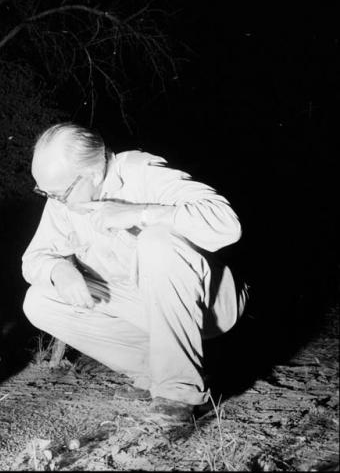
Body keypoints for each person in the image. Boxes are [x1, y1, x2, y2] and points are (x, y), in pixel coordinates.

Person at [22, 122, 248, 424]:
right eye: (44, 192)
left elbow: (226, 224)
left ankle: (178, 391)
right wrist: (60, 268)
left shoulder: (142, 172)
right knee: (39, 300)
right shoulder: (63, 200)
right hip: (143, 303)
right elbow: (33, 260)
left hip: (209, 304)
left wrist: (139, 212)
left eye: (59, 194)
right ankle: (156, 370)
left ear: (91, 173)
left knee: (157, 241)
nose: (53, 201)